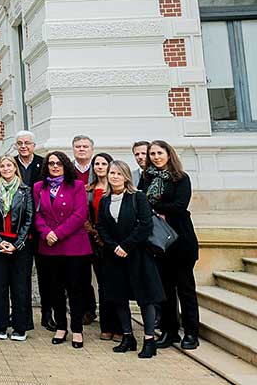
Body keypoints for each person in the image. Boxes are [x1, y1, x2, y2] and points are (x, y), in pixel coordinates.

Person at [97, 160, 164, 359]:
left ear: (126, 176)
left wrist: (126, 246)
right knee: (119, 297)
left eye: (118, 173)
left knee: (145, 298)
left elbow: (145, 225)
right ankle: (128, 337)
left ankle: (149, 340)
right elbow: (101, 226)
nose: (114, 177)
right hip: (114, 256)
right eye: (111, 173)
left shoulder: (138, 197)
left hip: (137, 255)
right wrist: (114, 247)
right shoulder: (105, 199)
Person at [141, 140, 200, 351]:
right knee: (165, 289)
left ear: (168, 154)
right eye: (152, 154)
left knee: (185, 288)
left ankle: (192, 332)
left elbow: (179, 206)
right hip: (159, 242)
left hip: (181, 240)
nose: (156, 157)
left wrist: (155, 206)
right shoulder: (146, 177)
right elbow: (140, 201)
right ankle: (169, 331)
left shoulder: (181, 178)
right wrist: (156, 209)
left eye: (160, 153)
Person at [34, 151, 92, 349]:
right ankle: (61, 327)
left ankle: (77, 329)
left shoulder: (76, 186)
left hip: (74, 246)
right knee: (54, 290)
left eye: (58, 163)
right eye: (51, 163)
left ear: (65, 165)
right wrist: (46, 233)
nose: (55, 166)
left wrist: (57, 233)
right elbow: (36, 214)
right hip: (49, 247)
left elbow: (80, 214)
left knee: (75, 289)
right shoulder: (38, 187)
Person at [0, 155, 34, 342]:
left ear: (15, 167)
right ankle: (1, 325)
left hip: (20, 245)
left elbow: (29, 218)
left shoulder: (25, 190)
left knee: (20, 287)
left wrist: (16, 244)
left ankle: (21, 326)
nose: (6, 168)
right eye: (2, 166)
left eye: (9, 165)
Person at [15, 131, 52, 332]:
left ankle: (48, 314)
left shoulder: (44, 163)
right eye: (19, 143)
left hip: (42, 226)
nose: (23, 146)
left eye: (27, 143)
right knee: (21, 276)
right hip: (18, 228)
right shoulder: (10, 163)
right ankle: (21, 315)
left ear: (33, 145)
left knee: (46, 274)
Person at [85, 152, 118, 341]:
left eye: (103, 163)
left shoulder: (116, 188)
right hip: (95, 240)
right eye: (96, 164)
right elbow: (85, 215)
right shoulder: (88, 189)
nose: (99, 167)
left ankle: (119, 325)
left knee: (116, 284)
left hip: (115, 240)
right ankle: (106, 325)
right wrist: (95, 234)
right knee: (103, 284)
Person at [70, 134, 96, 326]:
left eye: (85, 146)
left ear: (91, 149)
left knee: (104, 273)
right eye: (78, 146)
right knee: (81, 274)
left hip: (99, 228)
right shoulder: (68, 170)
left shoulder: (100, 168)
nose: (81, 149)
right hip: (77, 229)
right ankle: (86, 310)